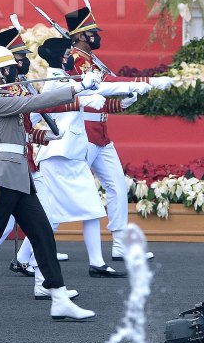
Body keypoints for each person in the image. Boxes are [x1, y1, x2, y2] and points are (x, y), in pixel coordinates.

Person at [0, 45, 96, 323]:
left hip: (18, 176)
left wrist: (41, 138)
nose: (14, 71)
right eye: (9, 68)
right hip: (2, 176)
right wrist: (77, 88)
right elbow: (32, 104)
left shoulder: (6, 94)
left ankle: (59, 297)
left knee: (42, 233)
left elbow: (19, 133)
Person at [11, 37, 139, 283]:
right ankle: (29, 263)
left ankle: (95, 263)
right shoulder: (53, 84)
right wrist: (85, 98)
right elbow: (50, 108)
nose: (71, 57)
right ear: (61, 56)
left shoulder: (65, 80)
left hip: (70, 155)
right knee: (53, 216)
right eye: (68, 53)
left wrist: (124, 99)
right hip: (58, 154)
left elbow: (97, 96)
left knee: (89, 208)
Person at [65, 4, 173, 265]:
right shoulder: (76, 60)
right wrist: (146, 82)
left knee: (117, 186)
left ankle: (119, 244)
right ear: (80, 36)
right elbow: (104, 86)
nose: (96, 37)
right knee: (67, 193)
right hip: (84, 133)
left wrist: (121, 103)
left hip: (100, 133)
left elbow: (103, 96)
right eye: (91, 33)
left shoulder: (88, 59)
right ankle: (30, 254)